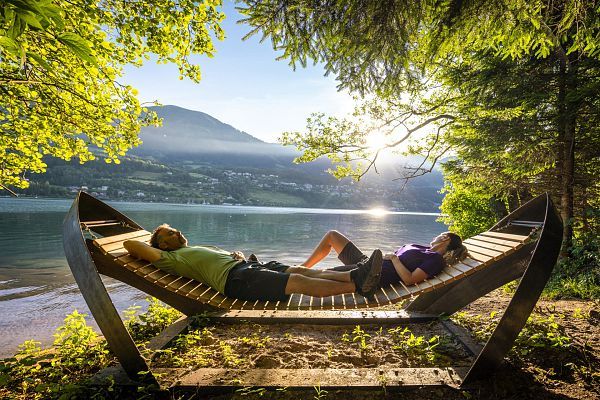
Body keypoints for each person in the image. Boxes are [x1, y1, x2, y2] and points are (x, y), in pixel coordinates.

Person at [123, 224, 383, 303]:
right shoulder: (170, 258)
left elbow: (217, 259)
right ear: (163, 245)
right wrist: (154, 240)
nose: (177, 232)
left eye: (175, 230)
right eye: (170, 234)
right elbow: (130, 246)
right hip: (236, 280)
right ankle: (356, 287)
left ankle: (356, 277)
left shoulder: (190, 249)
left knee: (303, 270)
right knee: (299, 282)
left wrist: (235, 255)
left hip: (245, 267)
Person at [301, 230, 468, 287]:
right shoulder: (423, 248)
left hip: (374, 274)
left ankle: (290, 276)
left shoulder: (435, 260)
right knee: (333, 235)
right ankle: (303, 266)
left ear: (445, 239)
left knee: (324, 273)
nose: (436, 236)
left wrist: (395, 259)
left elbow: (410, 280)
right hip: (369, 262)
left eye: (440, 235)